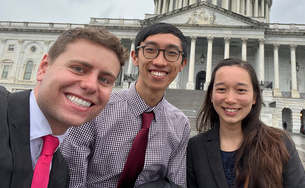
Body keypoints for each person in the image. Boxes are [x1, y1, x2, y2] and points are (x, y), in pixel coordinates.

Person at [61, 22, 191, 187]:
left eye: (172, 53)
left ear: (182, 64)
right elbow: (72, 181)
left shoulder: (180, 124)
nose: (160, 61)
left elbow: (175, 185)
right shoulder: (95, 110)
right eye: (150, 50)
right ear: (135, 57)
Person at [0, 27, 129, 188]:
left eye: (104, 79)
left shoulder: (61, 171)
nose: (90, 86)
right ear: (43, 68)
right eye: (78, 69)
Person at [187, 58, 305, 188]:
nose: (230, 99)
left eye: (241, 90)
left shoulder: (281, 143)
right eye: (221, 89)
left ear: (254, 97)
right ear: (211, 95)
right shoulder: (195, 148)